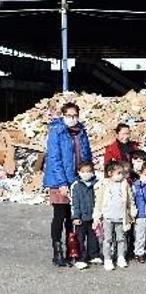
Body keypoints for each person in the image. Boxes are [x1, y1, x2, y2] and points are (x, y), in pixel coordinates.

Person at [43, 102, 92, 267]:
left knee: (74, 216)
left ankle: (73, 250)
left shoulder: (81, 131)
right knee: (60, 215)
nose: (73, 119)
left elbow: (87, 154)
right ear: (63, 116)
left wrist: (89, 174)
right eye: (69, 115)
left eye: (75, 115)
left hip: (78, 179)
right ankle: (57, 252)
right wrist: (62, 183)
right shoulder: (57, 131)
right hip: (59, 181)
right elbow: (54, 159)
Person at [93, 161, 136, 271]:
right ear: (110, 173)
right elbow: (99, 201)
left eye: (122, 173)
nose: (121, 175)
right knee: (107, 239)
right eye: (119, 173)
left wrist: (132, 212)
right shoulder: (103, 185)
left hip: (121, 217)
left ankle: (120, 257)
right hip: (108, 217)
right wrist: (97, 216)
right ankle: (108, 259)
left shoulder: (125, 184)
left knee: (121, 238)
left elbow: (130, 200)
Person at [70, 161, 100, 270]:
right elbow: (74, 203)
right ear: (79, 172)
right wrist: (75, 217)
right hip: (81, 218)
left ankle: (93, 255)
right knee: (80, 239)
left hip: (93, 217)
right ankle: (80, 258)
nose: (86, 174)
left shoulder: (96, 184)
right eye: (83, 172)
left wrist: (98, 214)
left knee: (93, 237)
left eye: (88, 171)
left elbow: (98, 200)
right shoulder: (76, 186)